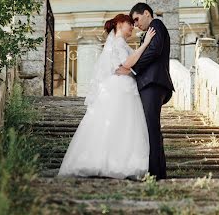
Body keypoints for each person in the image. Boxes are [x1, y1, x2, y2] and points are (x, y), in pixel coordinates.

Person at [58, 13, 156, 179]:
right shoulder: (117, 44)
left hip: (124, 85)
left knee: (123, 125)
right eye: (129, 24)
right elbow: (127, 63)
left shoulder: (120, 44)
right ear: (119, 24)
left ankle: (117, 160)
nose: (132, 27)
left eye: (133, 24)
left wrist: (128, 68)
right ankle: (112, 161)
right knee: (117, 123)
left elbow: (126, 66)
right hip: (119, 88)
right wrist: (145, 44)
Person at [116, 2, 174, 180]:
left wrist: (133, 69)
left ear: (147, 13)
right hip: (149, 84)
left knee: (151, 128)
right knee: (149, 128)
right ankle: (157, 171)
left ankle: (156, 174)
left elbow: (154, 51)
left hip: (153, 83)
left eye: (136, 19)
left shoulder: (156, 25)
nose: (135, 24)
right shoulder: (148, 33)